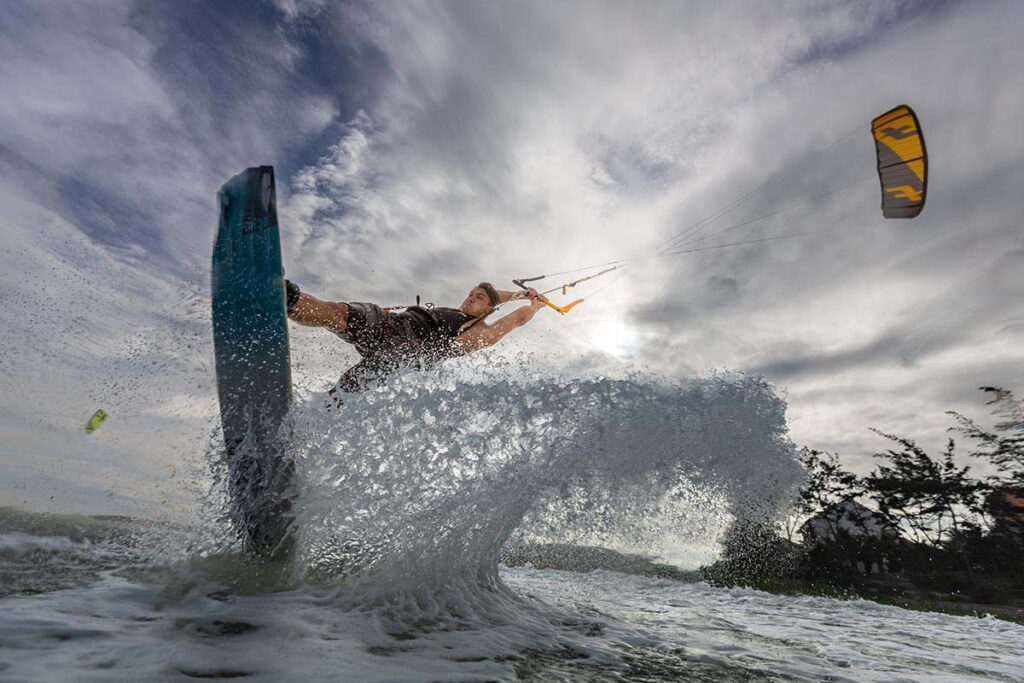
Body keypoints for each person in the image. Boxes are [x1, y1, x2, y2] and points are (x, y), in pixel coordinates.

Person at [284, 280, 549, 395]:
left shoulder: (479, 332)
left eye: (478, 297)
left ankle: (286, 298)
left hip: (398, 341)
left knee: (340, 315)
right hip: (393, 356)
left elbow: (515, 319)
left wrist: (535, 305)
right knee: (342, 389)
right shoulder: (458, 315)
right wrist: (520, 294)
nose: (471, 297)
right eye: (470, 292)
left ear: (488, 310)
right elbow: (492, 293)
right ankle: (289, 301)